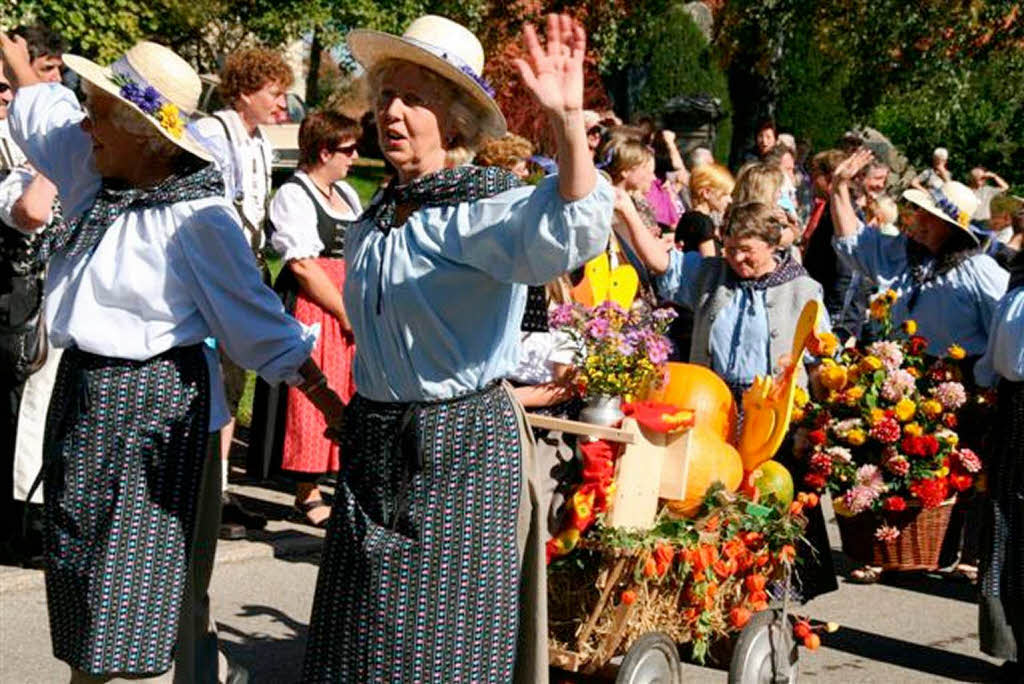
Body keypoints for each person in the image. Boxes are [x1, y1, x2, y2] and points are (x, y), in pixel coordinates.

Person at [2, 35, 345, 683]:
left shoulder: (197, 217)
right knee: (80, 587)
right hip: (85, 401)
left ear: (144, 132)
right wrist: (10, 50)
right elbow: (39, 109)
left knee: (132, 606)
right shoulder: (93, 163)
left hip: (155, 413)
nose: (84, 123)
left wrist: (329, 401)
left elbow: (258, 326)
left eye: (100, 111)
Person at [301, 13, 613, 682]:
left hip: (461, 447)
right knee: (358, 643)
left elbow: (569, 231)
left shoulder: (480, 209)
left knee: (439, 652)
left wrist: (565, 126)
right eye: (388, 95)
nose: (393, 111)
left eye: (415, 98)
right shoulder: (376, 219)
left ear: (456, 122)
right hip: (378, 445)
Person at [193, 47, 294, 537]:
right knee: (211, 379)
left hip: (245, 265)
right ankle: (200, 487)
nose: (281, 103)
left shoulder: (257, 142)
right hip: (216, 269)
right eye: (274, 92)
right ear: (245, 91)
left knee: (234, 383)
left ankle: (220, 487)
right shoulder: (213, 133)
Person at [251, 110, 363, 528]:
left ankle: (341, 479)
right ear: (324, 149)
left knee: (349, 388)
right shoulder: (295, 195)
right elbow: (300, 265)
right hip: (314, 300)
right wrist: (341, 308)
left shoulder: (348, 195)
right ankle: (306, 491)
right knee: (313, 391)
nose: (355, 158)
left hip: (345, 295)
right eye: (348, 150)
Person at [831, 149, 1008, 362]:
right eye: (921, 211)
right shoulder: (906, 254)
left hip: (957, 383)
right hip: (902, 377)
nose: (919, 219)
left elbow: (1008, 330)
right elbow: (855, 242)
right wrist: (838, 187)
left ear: (951, 229)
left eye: (931, 216)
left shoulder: (978, 270)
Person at [975, 253, 1024, 680]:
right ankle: (1015, 647)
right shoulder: (1017, 284)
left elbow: (1010, 359)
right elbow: (998, 357)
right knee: (1008, 528)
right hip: (1013, 412)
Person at [675, 162, 733, 256]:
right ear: (706, 193)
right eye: (725, 194)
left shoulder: (687, 217)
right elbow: (708, 261)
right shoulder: (703, 222)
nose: (729, 200)